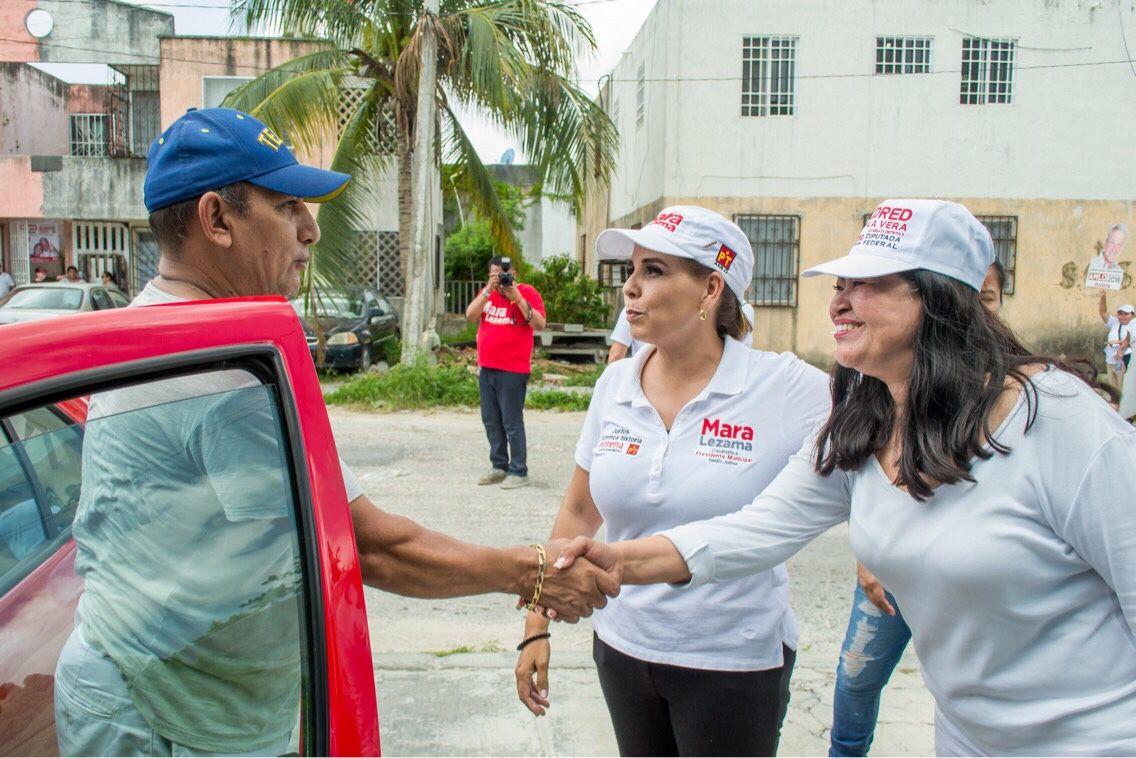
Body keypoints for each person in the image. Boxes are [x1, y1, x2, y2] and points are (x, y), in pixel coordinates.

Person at [53, 107, 617, 757]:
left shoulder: (175, 333)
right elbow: (364, 547)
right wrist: (535, 572)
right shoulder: (211, 377)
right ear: (216, 220)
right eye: (288, 205)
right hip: (160, 719)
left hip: (187, 700)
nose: (311, 230)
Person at [556, 199, 1136, 756]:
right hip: (966, 738)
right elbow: (753, 531)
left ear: (940, 301)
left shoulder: (1057, 420)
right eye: (840, 286)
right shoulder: (867, 420)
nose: (839, 303)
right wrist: (617, 563)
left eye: (868, 284)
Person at [515, 206, 830, 756]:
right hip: (623, 648)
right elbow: (578, 511)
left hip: (732, 661)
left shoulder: (782, 387)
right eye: (631, 271)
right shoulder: (615, 383)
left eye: (653, 271)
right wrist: (537, 622)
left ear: (711, 288)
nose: (630, 289)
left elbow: (882, 434)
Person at [828, 258, 1006, 757]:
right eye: (843, 287)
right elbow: (843, 494)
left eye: (987, 298)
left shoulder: (1025, 412)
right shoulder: (878, 395)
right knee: (857, 678)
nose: (840, 303)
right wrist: (871, 555)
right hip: (887, 587)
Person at [465, 255, 547, 489]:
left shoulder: (527, 293)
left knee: (511, 421)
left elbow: (539, 324)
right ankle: (499, 465)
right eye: (495, 275)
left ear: (513, 274)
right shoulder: (487, 295)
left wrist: (517, 297)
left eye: (503, 274)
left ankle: (519, 470)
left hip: (513, 369)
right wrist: (487, 291)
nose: (500, 279)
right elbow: (470, 316)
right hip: (487, 367)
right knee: (491, 420)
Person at [1098, 291, 1133, 388]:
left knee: (1122, 388)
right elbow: (1103, 312)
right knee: (1112, 389)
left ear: (1132, 315)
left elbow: (1131, 341)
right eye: (1120, 314)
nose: (1123, 316)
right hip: (1110, 360)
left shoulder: (1134, 325)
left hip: (1124, 360)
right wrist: (1103, 298)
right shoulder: (1115, 322)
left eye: (1126, 314)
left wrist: (1117, 342)